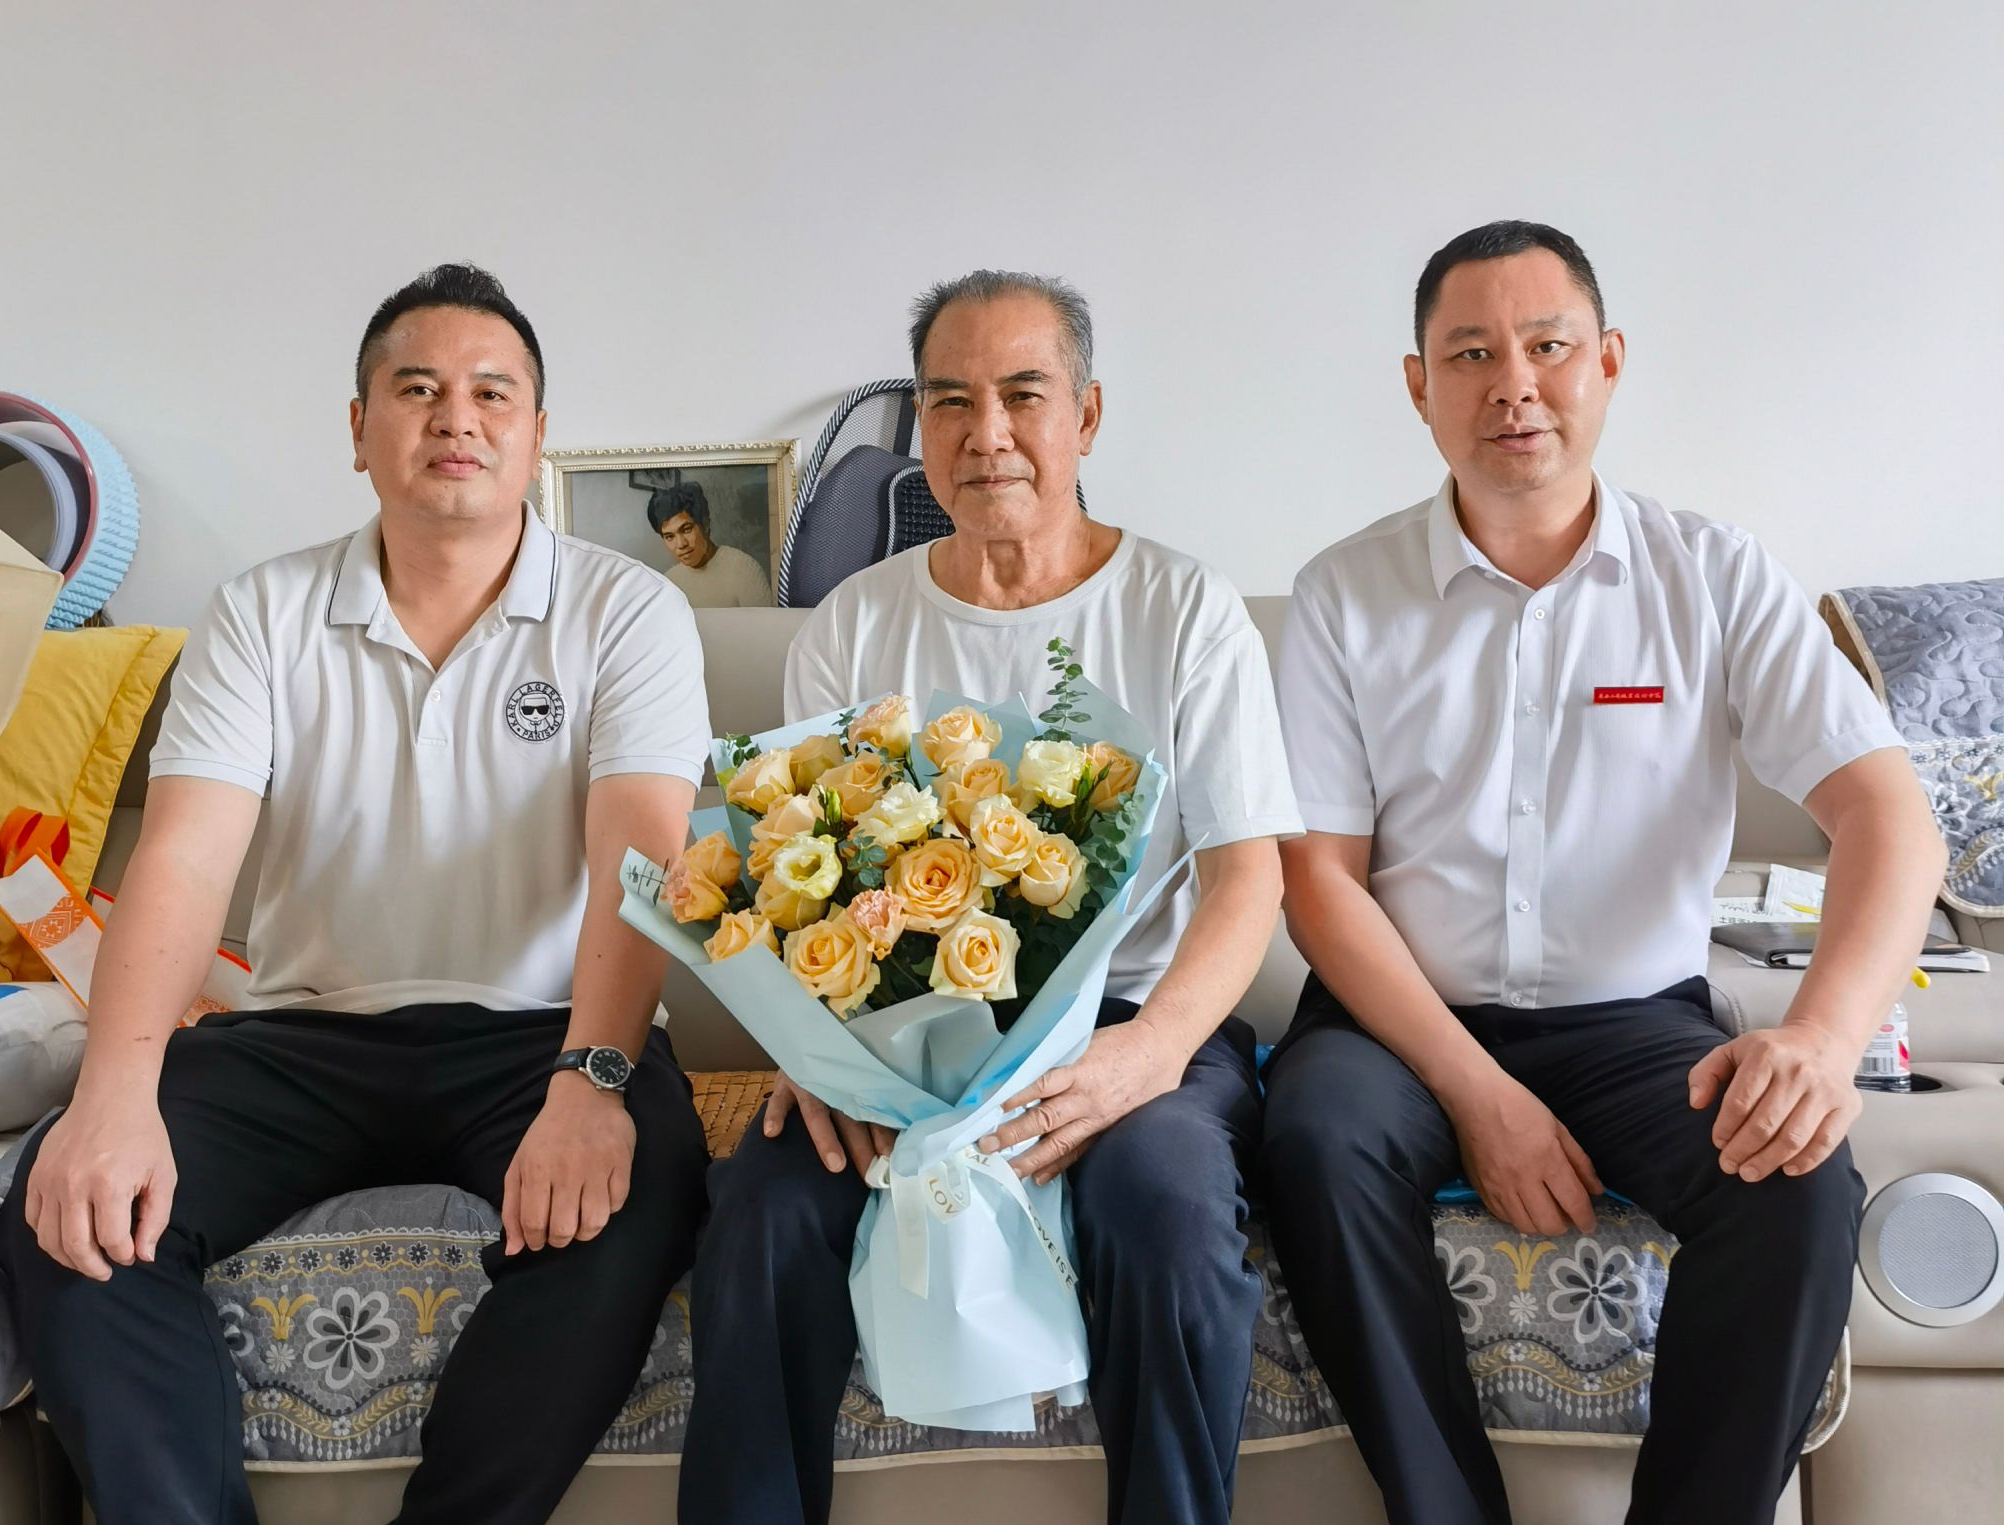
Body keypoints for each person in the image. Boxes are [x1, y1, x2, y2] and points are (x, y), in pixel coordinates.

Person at [0, 263, 714, 1525]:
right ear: (359, 425)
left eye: (492, 393)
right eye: (417, 389)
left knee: (636, 1198)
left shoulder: (628, 610)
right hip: (303, 1038)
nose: (455, 418)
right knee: (68, 1211)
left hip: (543, 1034)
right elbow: (183, 860)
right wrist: (112, 1093)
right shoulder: (261, 611)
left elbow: (635, 861)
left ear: (536, 432)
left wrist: (594, 1080)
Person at [1264, 221, 1944, 1524]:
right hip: (1398, 1024)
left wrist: (1818, 1037)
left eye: (1547, 345)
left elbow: (1888, 817)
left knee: (1798, 1181)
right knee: (1314, 1136)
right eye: (1470, 354)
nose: (1513, 385)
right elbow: (1319, 882)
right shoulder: (1343, 593)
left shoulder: (1714, 574)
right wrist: (1479, 1094)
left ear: (1609, 361)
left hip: (1636, 1026)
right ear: (1418, 386)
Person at [678, 270, 1303, 1525]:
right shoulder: (851, 625)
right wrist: (819, 1056)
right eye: (949, 401)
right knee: (760, 1212)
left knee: (1166, 1216)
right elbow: (788, 879)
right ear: (919, 426)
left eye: (1023, 394)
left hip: (1135, 1026)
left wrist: (1146, 1057)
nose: (987, 433)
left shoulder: (1183, 609)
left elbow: (1249, 877)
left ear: (1087, 414)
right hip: (894, 1044)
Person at [649, 479, 771, 606]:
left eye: (686, 529)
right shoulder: (669, 582)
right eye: (670, 537)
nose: (681, 544)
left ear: (705, 525)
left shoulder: (744, 569)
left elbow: (764, 619)